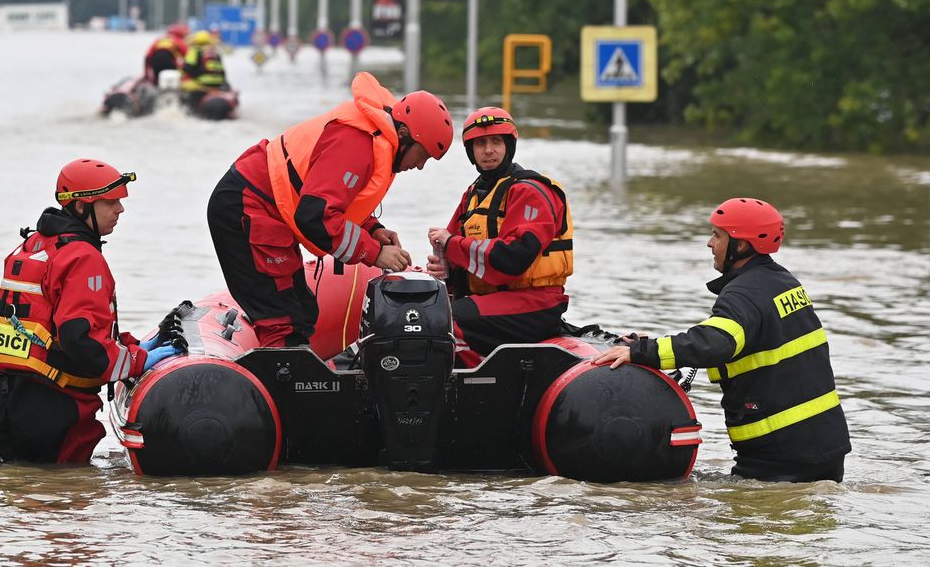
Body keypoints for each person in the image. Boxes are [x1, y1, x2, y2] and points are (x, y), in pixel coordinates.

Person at [593, 198, 851, 483]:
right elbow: (732, 336)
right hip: (823, 445)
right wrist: (652, 343)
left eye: (717, 235)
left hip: (780, 456)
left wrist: (643, 352)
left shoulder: (744, 293)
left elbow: (716, 342)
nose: (709, 243)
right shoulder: (782, 282)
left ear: (741, 245)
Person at [207, 71, 454, 348]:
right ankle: (277, 387)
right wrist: (375, 253)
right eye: (422, 156)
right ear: (404, 135)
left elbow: (335, 200)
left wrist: (373, 230)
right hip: (247, 206)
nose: (419, 166)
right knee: (284, 323)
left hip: (267, 209)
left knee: (302, 313)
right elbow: (314, 216)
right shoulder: (356, 142)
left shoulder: (374, 139)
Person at [0, 159, 183, 469]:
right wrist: (139, 361)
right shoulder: (83, 258)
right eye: (110, 202)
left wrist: (132, 345)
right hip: (50, 409)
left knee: (5, 500)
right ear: (82, 208)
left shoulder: (32, 245)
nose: (120, 210)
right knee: (61, 506)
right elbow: (82, 345)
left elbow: (46, 327)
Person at [425, 107, 574, 368]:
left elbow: (513, 258)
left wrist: (450, 244)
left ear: (509, 146)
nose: (489, 150)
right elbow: (459, 251)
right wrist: (447, 268)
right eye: (480, 143)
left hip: (536, 303)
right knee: (420, 311)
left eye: (496, 141)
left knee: (445, 319)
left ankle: (480, 383)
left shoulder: (531, 191)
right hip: (492, 301)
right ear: (471, 151)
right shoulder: (473, 194)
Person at [180, 30, 229, 110]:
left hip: (202, 84)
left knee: (182, 87)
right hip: (218, 85)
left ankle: (187, 108)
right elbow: (222, 71)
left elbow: (187, 67)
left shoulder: (195, 50)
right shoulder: (215, 52)